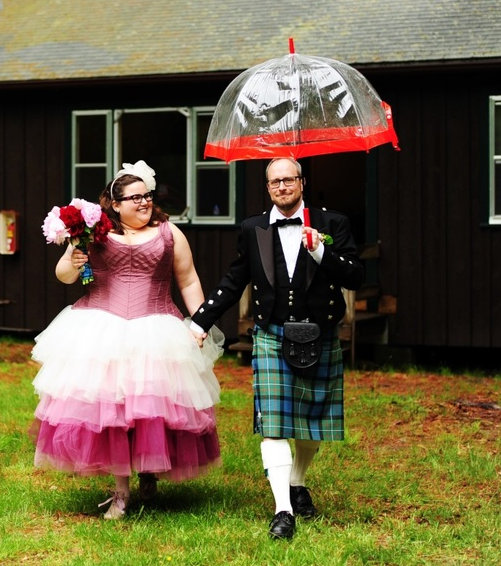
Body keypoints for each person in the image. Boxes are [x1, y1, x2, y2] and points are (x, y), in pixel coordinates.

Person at [32, 160, 225, 520]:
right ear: (114, 203)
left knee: (152, 409)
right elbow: (64, 276)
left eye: (148, 196)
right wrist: (74, 259)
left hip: (157, 329)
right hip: (102, 328)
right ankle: (121, 492)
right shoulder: (93, 233)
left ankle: (150, 470)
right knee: (113, 412)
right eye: (135, 197)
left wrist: (199, 324)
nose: (144, 202)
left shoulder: (170, 233)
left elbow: (188, 281)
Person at [190, 157, 365, 540]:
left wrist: (321, 253)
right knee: (274, 423)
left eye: (289, 180)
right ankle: (283, 509)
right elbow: (236, 278)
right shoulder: (253, 228)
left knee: (312, 424)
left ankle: (298, 481)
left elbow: (356, 274)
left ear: (302, 182)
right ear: (267, 187)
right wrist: (200, 320)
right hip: (271, 334)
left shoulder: (332, 222)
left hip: (321, 333)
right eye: (275, 182)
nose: (282, 187)